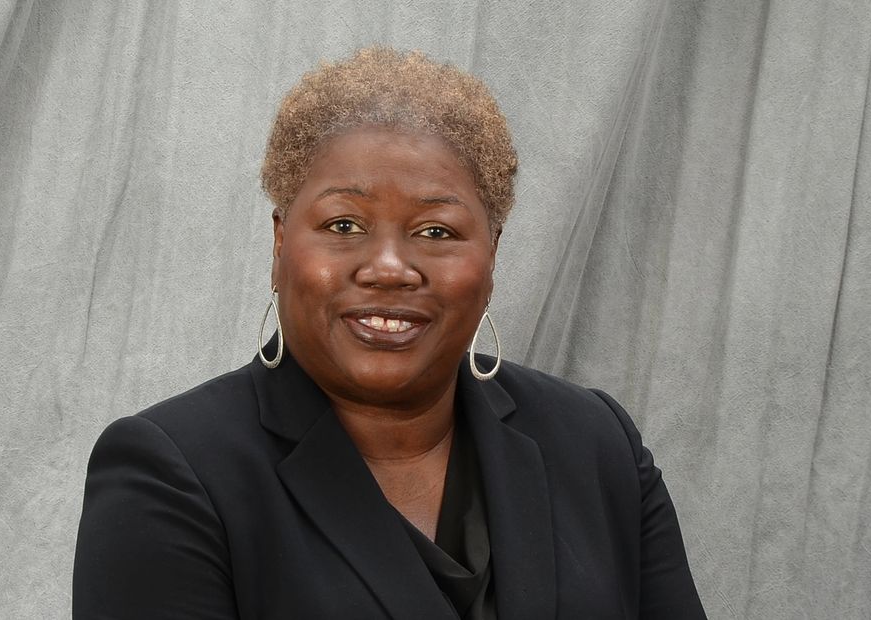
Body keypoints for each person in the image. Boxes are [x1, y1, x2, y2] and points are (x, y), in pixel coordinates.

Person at [73, 46, 705, 619]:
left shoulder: (597, 444)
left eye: (436, 232)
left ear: (492, 257)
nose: (388, 269)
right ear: (279, 243)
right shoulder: (172, 472)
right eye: (344, 225)